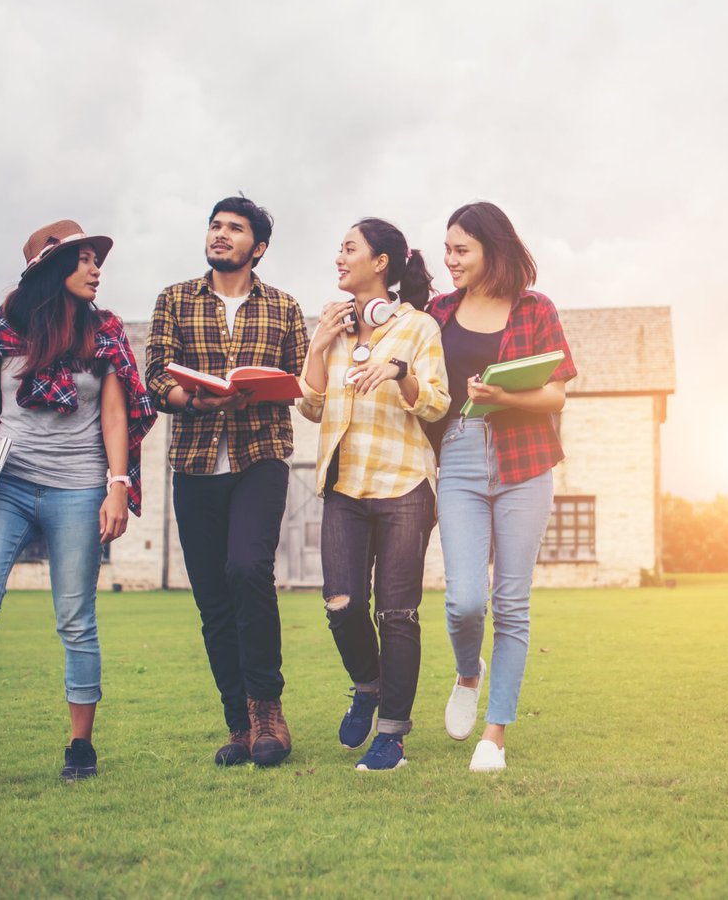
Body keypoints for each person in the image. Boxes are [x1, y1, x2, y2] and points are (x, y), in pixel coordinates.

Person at [0, 220, 156, 786]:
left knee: (76, 618)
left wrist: (117, 484)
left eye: (97, 260)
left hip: (78, 485)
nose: (96, 268)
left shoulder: (104, 330)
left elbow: (114, 413)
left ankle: (80, 746)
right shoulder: (2, 325)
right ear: (51, 269)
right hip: (6, 482)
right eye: (83, 260)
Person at [146, 196, 309, 768]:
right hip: (195, 462)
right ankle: (239, 725)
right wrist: (191, 399)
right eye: (215, 226)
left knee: (247, 568)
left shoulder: (285, 307)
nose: (220, 235)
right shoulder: (173, 300)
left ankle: (269, 709)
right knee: (213, 599)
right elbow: (153, 377)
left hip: (261, 455)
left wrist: (272, 387)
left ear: (257, 247)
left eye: (234, 229)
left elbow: (302, 382)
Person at [425, 202, 576, 773]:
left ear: (493, 248)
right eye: (447, 250)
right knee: (465, 600)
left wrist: (503, 397)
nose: (451, 260)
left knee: (511, 603)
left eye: (462, 250)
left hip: (526, 460)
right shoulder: (437, 311)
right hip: (458, 457)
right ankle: (469, 671)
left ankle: (495, 733)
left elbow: (557, 395)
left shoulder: (536, 308)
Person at [300, 219, 449, 771]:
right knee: (340, 605)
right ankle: (367, 686)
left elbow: (435, 403)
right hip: (343, 484)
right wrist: (318, 343)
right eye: (338, 248)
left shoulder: (418, 328)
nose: (339, 257)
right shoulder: (333, 325)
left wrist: (399, 372)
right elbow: (311, 405)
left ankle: (392, 735)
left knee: (398, 613)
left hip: (403, 484)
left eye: (349, 248)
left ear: (381, 262)